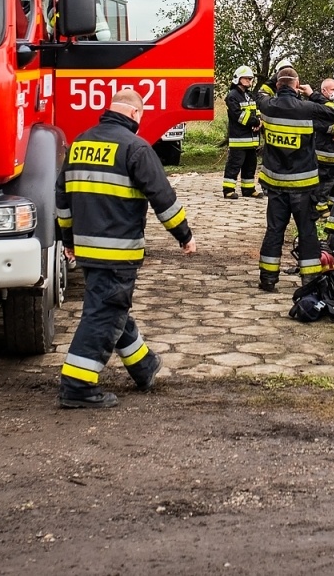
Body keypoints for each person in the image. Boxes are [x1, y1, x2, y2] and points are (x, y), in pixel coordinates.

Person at [56, 88, 195, 410]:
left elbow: (62, 199)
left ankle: (143, 365)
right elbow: (163, 197)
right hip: (118, 252)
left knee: (110, 306)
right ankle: (77, 385)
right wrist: (184, 235)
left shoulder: (80, 143)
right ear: (134, 114)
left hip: (88, 250)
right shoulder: (136, 148)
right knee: (104, 313)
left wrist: (68, 241)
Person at [256, 66, 334, 290]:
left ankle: (268, 278)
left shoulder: (267, 106)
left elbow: (260, 92)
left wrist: (280, 79)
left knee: (274, 230)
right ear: (297, 85)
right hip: (303, 186)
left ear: (277, 85)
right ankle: (310, 279)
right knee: (307, 231)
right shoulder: (307, 107)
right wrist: (311, 93)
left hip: (276, 185)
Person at [310, 77, 334, 212]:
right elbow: (318, 125)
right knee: (326, 179)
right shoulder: (318, 106)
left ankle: (331, 204)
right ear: (324, 91)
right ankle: (321, 205)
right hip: (324, 148)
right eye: (333, 89)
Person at [221, 66, 261, 199]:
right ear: (238, 79)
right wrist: (254, 122)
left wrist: (259, 122)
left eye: (251, 78)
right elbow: (238, 115)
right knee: (234, 165)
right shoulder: (232, 96)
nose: (250, 81)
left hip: (251, 139)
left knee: (250, 166)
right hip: (239, 139)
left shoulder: (249, 95)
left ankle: (248, 189)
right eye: (247, 78)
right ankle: (228, 190)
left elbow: (257, 111)